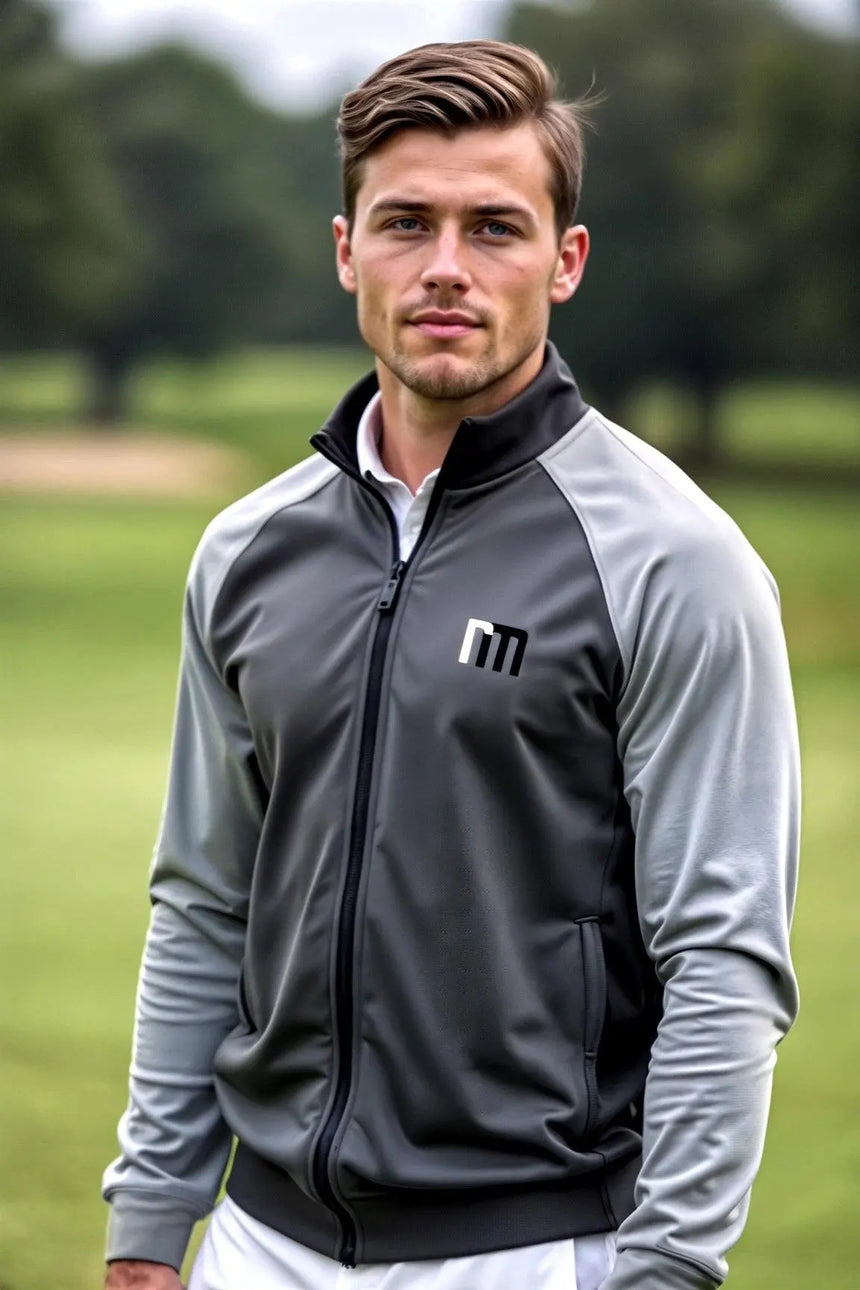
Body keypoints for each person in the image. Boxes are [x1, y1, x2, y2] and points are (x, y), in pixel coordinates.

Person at [102, 40, 800, 1290]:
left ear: (563, 261)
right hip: (257, 1244)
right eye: (404, 223)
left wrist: (665, 1270)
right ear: (344, 251)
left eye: (492, 228)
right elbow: (205, 901)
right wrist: (153, 1223)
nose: (443, 267)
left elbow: (721, 957)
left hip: (530, 1250)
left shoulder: (673, 559)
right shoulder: (247, 551)